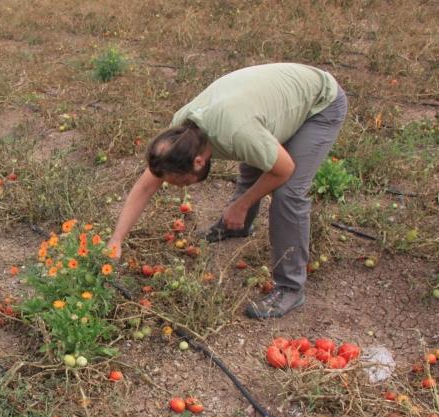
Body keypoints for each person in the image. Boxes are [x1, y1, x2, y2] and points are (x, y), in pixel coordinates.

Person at [108, 63, 347, 319]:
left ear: (198, 162)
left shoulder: (237, 132)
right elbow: (146, 185)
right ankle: (237, 227)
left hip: (320, 103)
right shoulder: (179, 134)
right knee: (255, 161)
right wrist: (116, 239)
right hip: (270, 103)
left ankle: (290, 288)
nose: (181, 188)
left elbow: (284, 169)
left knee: (288, 193)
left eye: (183, 182)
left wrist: (242, 204)